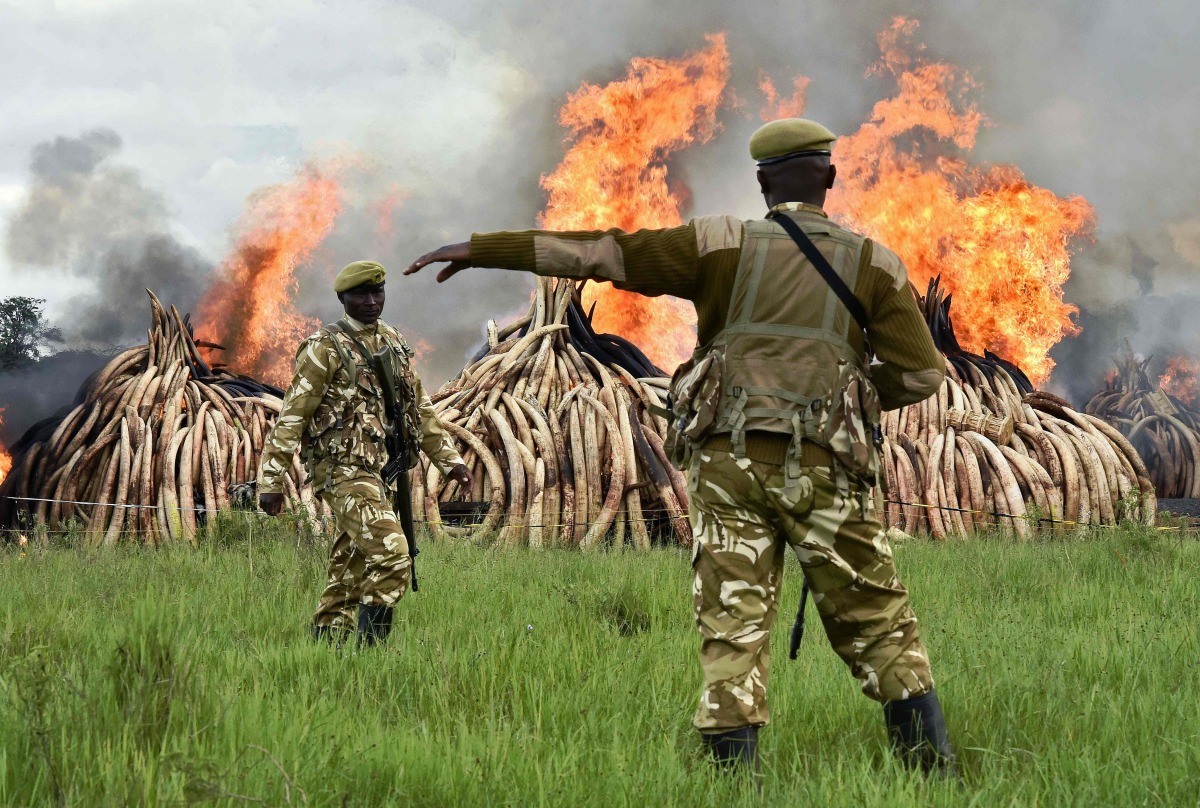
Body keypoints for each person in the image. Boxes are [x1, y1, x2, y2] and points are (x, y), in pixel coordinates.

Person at [405, 119, 957, 776]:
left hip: (728, 465)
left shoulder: (716, 243)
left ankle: (734, 784)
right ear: (829, 177)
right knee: (876, 613)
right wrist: (851, 402)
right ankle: (931, 775)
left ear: (761, 183)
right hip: (823, 469)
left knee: (733, 619)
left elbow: (600, 252)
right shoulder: (873, 263)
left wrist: (482, 248)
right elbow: (922, 375)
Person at [259, 260, 472, 647]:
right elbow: (292, 416)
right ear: (343, 298)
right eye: (361, 294)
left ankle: (325, 646)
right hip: (342, 473)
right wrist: (271, 481)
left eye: (378, 292)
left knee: (350, 565)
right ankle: (369, 653)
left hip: (380, 472)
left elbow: (418, 408)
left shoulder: (391, 340)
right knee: (392, 555)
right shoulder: (325, 348)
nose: (372, 301)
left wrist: (450, 460)